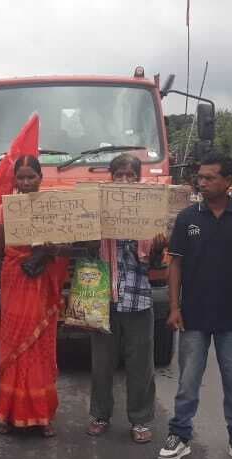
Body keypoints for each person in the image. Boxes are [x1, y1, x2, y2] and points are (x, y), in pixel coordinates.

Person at [157, 151, 232, 459]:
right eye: (200, 177)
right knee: (188, 380)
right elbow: (175, 264)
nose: (201, 182)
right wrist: (174, 307)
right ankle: (179, 435)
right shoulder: (188, 218)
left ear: (228, 181)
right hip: (194, 314)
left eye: (209, 178)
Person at [86, 154, 166, 444]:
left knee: (141, 365)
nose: (123, 180)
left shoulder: (151, 212)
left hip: (139, 299)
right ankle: (99, 414)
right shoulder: (97, 208)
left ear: (138, 179)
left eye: (130, 175)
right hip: (104, 298)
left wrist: (157, 249)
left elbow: (157, 265)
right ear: (110, 178)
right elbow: (84, 247)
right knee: (101, 363)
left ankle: (141, 419)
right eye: (118, 175)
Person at [0, 155, 69, 437]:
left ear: (41, 179)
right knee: (14, 344)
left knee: (38, 345)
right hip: (16, 278)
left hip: (42, 284)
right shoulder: (9, 208)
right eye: (21, 178)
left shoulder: (54, 208)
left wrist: (52, 248)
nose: (25, 183)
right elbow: (0, 248)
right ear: (15, 180)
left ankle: (41, 414)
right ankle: (9, 413)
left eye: (31, 177)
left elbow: (64, 248)